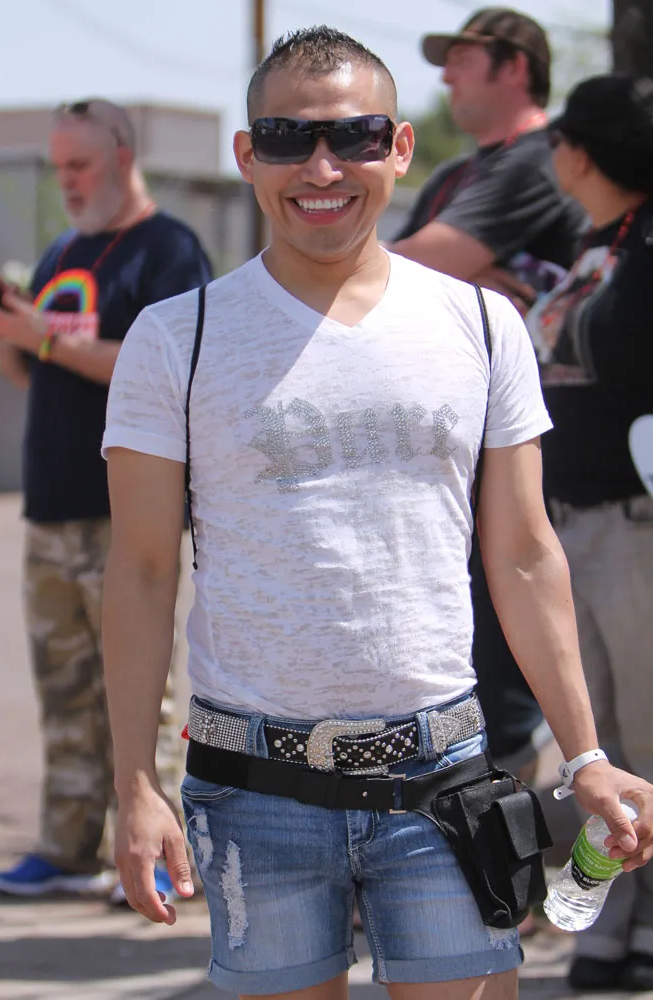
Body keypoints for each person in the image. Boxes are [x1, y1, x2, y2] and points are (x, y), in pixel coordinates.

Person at [102, 28, 653, 1000]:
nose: (322, 169)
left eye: (353, 137)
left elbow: (525, 555)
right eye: (288, 138)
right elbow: (142, 570)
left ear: (399, 148)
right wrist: (134, 785)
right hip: (251, 788)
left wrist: (585, 756)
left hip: (444, 782)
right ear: (247, 154)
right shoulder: (175, 338)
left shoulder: (480, 323)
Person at [0, 98, 212, 902]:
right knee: (64, 689)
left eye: (79, 165)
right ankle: (67, 848)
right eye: (59, 168)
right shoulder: (61, 251)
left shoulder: (168, 249)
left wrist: (43, 337)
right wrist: (15, 336)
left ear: (122, 155)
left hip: (126, 510)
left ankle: (157, 853)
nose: (68, 182)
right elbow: (36, 372)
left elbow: (169, 365)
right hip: (50, 505)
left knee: (140, 690)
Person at [390, 6, 586, 781]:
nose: (445, 75)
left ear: (513, 67)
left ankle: (515, 833)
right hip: (454, 446)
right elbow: (398, 272)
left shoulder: (534, 161)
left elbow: (400, 264)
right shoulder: (456, 173)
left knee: (505, 678)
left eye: (462, 58)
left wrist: (435, 272)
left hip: (521, 447)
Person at [525, 74, 653, 992]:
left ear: (585, 151)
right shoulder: (592, 242)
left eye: (562, 138)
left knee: (647, 737)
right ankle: (600, 925)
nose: (553, 152)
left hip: (635, 524)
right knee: (595, 748)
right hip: (571, 525)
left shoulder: (647, 243)